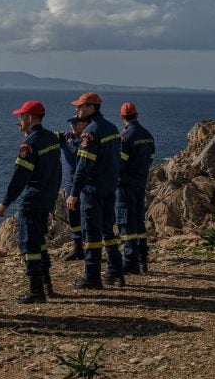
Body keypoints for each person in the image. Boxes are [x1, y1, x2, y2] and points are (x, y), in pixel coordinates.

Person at [0, 100, 62, 303]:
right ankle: (46, 284)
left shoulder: (29, 145)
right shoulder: (51, 138)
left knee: (30, 245)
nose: (19, 120)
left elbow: (20, 177)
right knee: (40, 242)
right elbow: (57, 170)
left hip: (33, 199)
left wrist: (5, 202)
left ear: (30, 118)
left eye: (21, 116)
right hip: (48, 197)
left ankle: (36, 291)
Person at [65, 92, 125, 288]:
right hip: (109, 188)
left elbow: (83, 166)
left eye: (80, 107)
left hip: (92, 190)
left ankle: (92, 276)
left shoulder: (90, 132)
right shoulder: (113, 128)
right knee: (108, 230)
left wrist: (74, 192)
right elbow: (117, 159)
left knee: (91, 234)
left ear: (91, 108)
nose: (77, 110)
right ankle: (116, 273)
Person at [117, 102, 156, 275]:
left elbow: (120, 163)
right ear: (137, 115)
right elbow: (151, 156)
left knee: (127, 221)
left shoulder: (125, 136)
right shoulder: (147, 134)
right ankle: (143, 260)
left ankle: (130, 261)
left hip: (126, 184)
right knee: (139, 220)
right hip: (141, 182)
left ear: (122, 117)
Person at [57, 115, 89, 261]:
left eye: (76, 123)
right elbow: (46, 136)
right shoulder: (65, 138)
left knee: (87, 216)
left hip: (86, 185)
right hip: (70, 185)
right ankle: (78, 248)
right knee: (73, 217)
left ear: (84, 124)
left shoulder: (89, 139)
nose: (73, 126)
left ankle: (91, 249)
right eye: (71, 123)